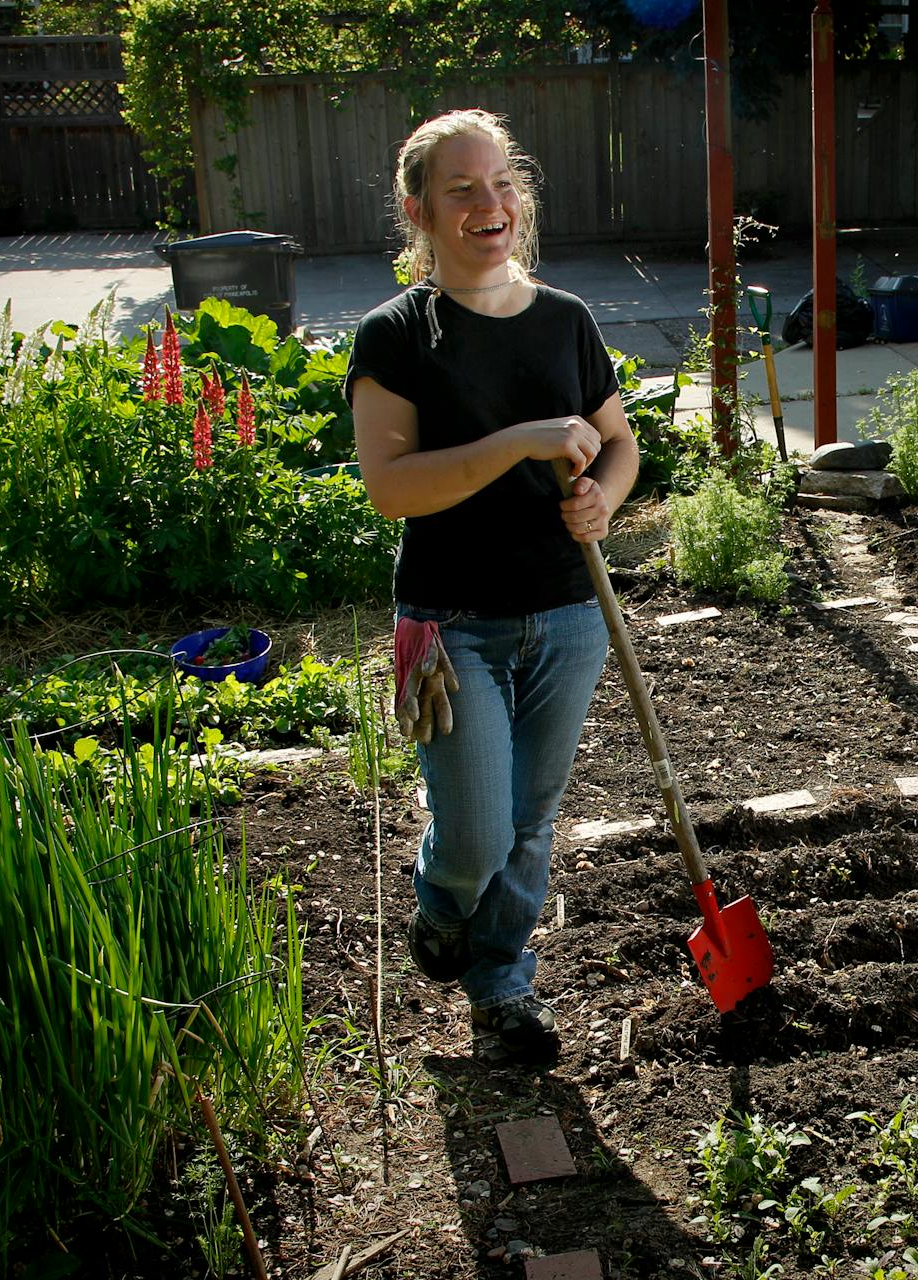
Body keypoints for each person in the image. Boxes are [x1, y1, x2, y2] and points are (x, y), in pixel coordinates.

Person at [346, 109, 638, 1062]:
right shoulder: (397, 337)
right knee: (474, 838)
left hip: (567, 612)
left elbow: (622, 443)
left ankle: (502, 987)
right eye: (462, 188)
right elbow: (392, 488)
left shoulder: (566, 320)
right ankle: (440, 900)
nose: (490, 203)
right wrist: (519, 442)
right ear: (418, 209)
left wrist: (605, 500)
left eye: (503, 182)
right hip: (447, 623)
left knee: (528, 824)